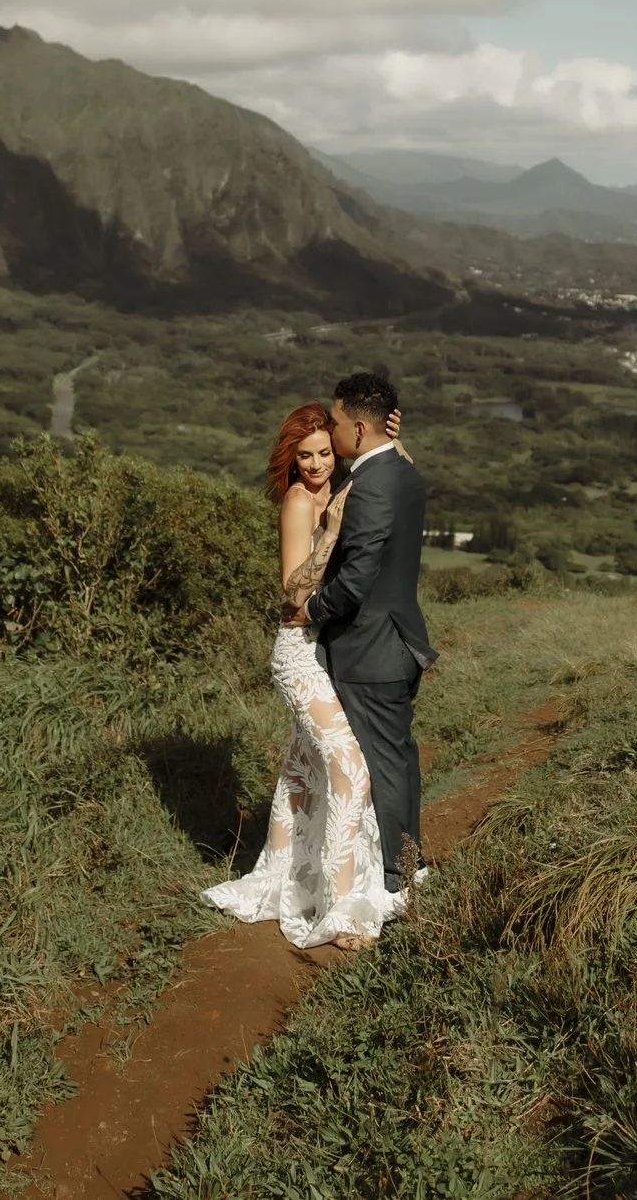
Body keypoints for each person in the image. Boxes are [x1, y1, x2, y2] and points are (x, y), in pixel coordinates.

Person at [202, 398, 410, 949]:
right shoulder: (298, 503)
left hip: (332, 651)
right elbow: (293, 592)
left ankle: (282, 878)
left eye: (323, 453)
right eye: (305, 456)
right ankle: (340, 911)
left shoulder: (344, 487)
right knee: (350, 767)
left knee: (298, 773)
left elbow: (391, 477)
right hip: (298, 653)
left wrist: (395, 441)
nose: (316, 465)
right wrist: (329, 534)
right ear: (290, 459)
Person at [300, 372, 435, 893]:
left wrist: (312, 608)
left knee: (378, 763)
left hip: (370, 648)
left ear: (358, 428)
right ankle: (409, 862)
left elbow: (355, 579)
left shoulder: (371, 485)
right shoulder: (403, 472)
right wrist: (393, 439)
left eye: (335, 423)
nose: (330, 433)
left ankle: (398, 880)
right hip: (400, 639)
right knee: (398, 755)